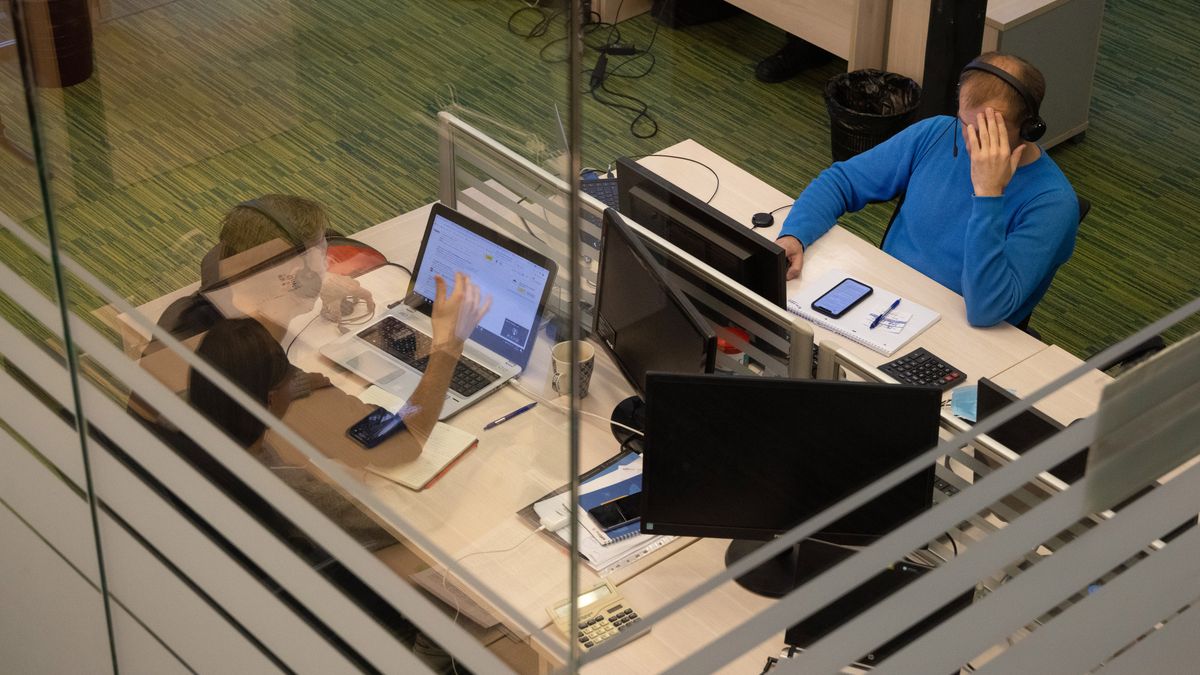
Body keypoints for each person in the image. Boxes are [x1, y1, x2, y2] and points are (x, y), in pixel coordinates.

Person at [187, 272, 489, 674]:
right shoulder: (292, 490)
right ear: (270, 398)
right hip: (352, 618)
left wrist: (294, 382)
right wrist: (448, 347)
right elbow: (409, 437)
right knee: (458, 590)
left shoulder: (196, 429)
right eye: (285, 378)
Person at [776, 52, 1079, 327]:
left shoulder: (1052, 204)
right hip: (886, 304)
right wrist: (796, 233)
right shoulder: (937, 133)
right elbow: (842, 182)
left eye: (988, 132)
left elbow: (986, 309)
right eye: (965, 125)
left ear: (1029, 130)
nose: (970, 142)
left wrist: (989, 195)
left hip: (963, 334)